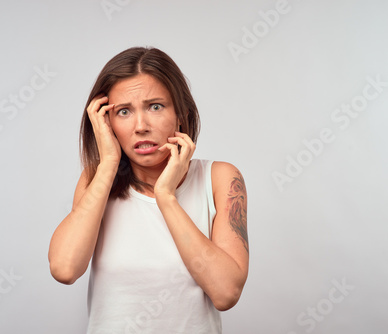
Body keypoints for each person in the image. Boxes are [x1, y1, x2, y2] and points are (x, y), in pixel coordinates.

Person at [48, 46, 249, 333]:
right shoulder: (97, 179)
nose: (140, 126)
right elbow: (65, 269)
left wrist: (166, 196)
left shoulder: (220, 179)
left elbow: (226, 293)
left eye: (155, 106)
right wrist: (108, 163)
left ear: (181, 113)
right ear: (106, 121)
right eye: (124, 112)